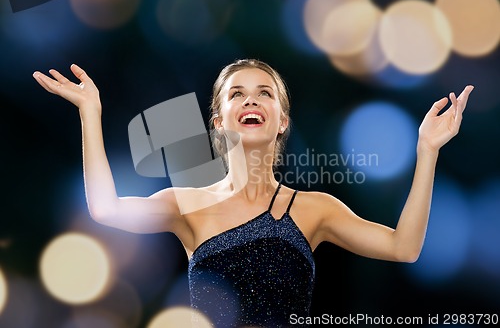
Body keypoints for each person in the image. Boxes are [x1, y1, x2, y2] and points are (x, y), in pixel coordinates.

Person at [33, 59, 473, 327]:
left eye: (264, 93)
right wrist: (90, 113)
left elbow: (405, 248)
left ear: (282, 120)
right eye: (236, 94)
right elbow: (104, 209)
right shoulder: (185, 203)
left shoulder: (315, 209)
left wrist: (427, 150)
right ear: (219, 120)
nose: (250, 101)